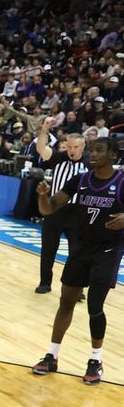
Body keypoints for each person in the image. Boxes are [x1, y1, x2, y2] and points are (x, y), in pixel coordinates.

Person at [32, 137, 124, 384]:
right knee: (66, 300)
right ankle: (52, 355)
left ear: (112, 155)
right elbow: (49, 208)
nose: (92, 154)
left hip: (108, 249)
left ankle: (96, 359)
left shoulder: (121, 182)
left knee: (95, 304)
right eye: (91, 150)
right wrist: (42, 196)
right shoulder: (80, 180)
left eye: (99, 150)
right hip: (82, 246)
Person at [34, 123, 88, 294]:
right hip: (55, 210)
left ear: (83, 146)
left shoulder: (90, 163)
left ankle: (76, 288)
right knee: (48, 250)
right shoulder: (58, 158)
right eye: (69, 146)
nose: (72, 150)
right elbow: (41, 147)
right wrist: (44, 129)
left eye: (76, 147)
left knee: (77, 253)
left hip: (78, 214)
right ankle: (45, 283)